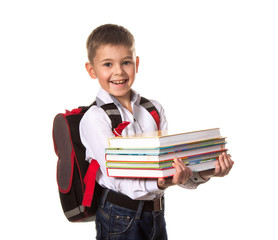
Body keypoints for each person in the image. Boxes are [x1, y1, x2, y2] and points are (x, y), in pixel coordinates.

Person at [80, 24, 234, 240]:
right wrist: (162, 182)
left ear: (137, 64)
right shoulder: (95, 118)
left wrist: (207, 172)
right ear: (92, 70)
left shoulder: (153, 110)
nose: (119, 71)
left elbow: (174, 169)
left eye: (126, 62)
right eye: (108, 64)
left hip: (156, 213)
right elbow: (118, 180)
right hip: (119, 216)